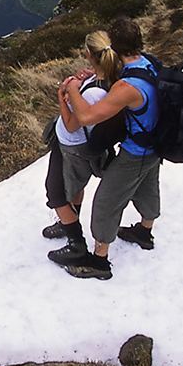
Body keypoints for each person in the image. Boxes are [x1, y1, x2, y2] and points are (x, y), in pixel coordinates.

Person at [48, 15, 160, 280]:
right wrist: (94, 76)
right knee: (146, 187)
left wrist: (72, 89)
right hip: (157, 143)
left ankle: (99, 262)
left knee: (106, 203)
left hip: (137, 150)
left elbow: (85, 117)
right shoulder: (148, 64)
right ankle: (144, 231)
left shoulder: (126, 85)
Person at [42, 31, 118, 254]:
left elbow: (72, 123)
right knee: (75, 185)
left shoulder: (94, 93)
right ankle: (69, 222)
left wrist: (63, 95)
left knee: (55, 192)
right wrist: (82, 81)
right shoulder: (106, 79)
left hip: (72, 146)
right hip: (78, 146)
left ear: (88, 54)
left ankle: (76, 242)